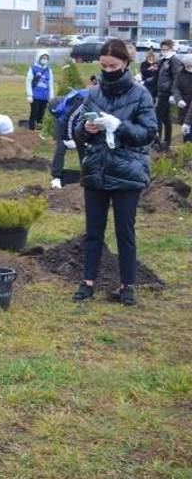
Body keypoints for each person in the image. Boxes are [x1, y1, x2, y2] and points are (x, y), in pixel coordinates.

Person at [72, 38, 157, 307]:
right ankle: (87, 282)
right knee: (93, 232)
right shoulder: (94, 94)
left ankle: (127, 284)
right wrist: (86, 130)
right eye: (104, 65)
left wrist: (119, 125)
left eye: (113, 66)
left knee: (125, 231)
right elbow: (78, 132)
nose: (108, 70)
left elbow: (147, 134)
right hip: (96, 171)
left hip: (128, 173)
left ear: (126, 64)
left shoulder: (140, 94)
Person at [49, 80, 93, 189]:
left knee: (83, 148)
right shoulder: (84, 100)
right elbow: (69, 118)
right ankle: (56, 178)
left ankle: (86, 176)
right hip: (63, 121)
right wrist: (68, 138)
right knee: (61, 146)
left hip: (77, 124)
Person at [155, 39, 183, 149]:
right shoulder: (163, 60)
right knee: (166, 118)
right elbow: (159, 77)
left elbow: (177, 78)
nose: (164, 51)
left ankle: (158, 142)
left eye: (166, 49)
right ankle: (166, 142)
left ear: (171, 49)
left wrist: (173, 93)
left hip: (166, 94)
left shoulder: (174, 61)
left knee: (158, 118)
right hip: (161, 92)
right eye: (162, 49)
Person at [25, 49, 54, 130]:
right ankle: (31, 130)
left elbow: (50, 84)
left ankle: (40, 129)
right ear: (38, 58)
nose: (44, 59)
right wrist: (29, 95)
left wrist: (51, 96)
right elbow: (28, 82)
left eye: (46, 58)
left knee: (42, 114)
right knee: (34, 113)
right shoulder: (33, 69)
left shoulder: (49, 70)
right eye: (43, 58)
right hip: (35, 96)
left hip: (44, 96)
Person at [170, 53, 192, 130]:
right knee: (185, 128)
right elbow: (175, 87)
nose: (189, 68)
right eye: (188, 66)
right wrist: (178, 99)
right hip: (184, 104)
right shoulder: (180, 73)